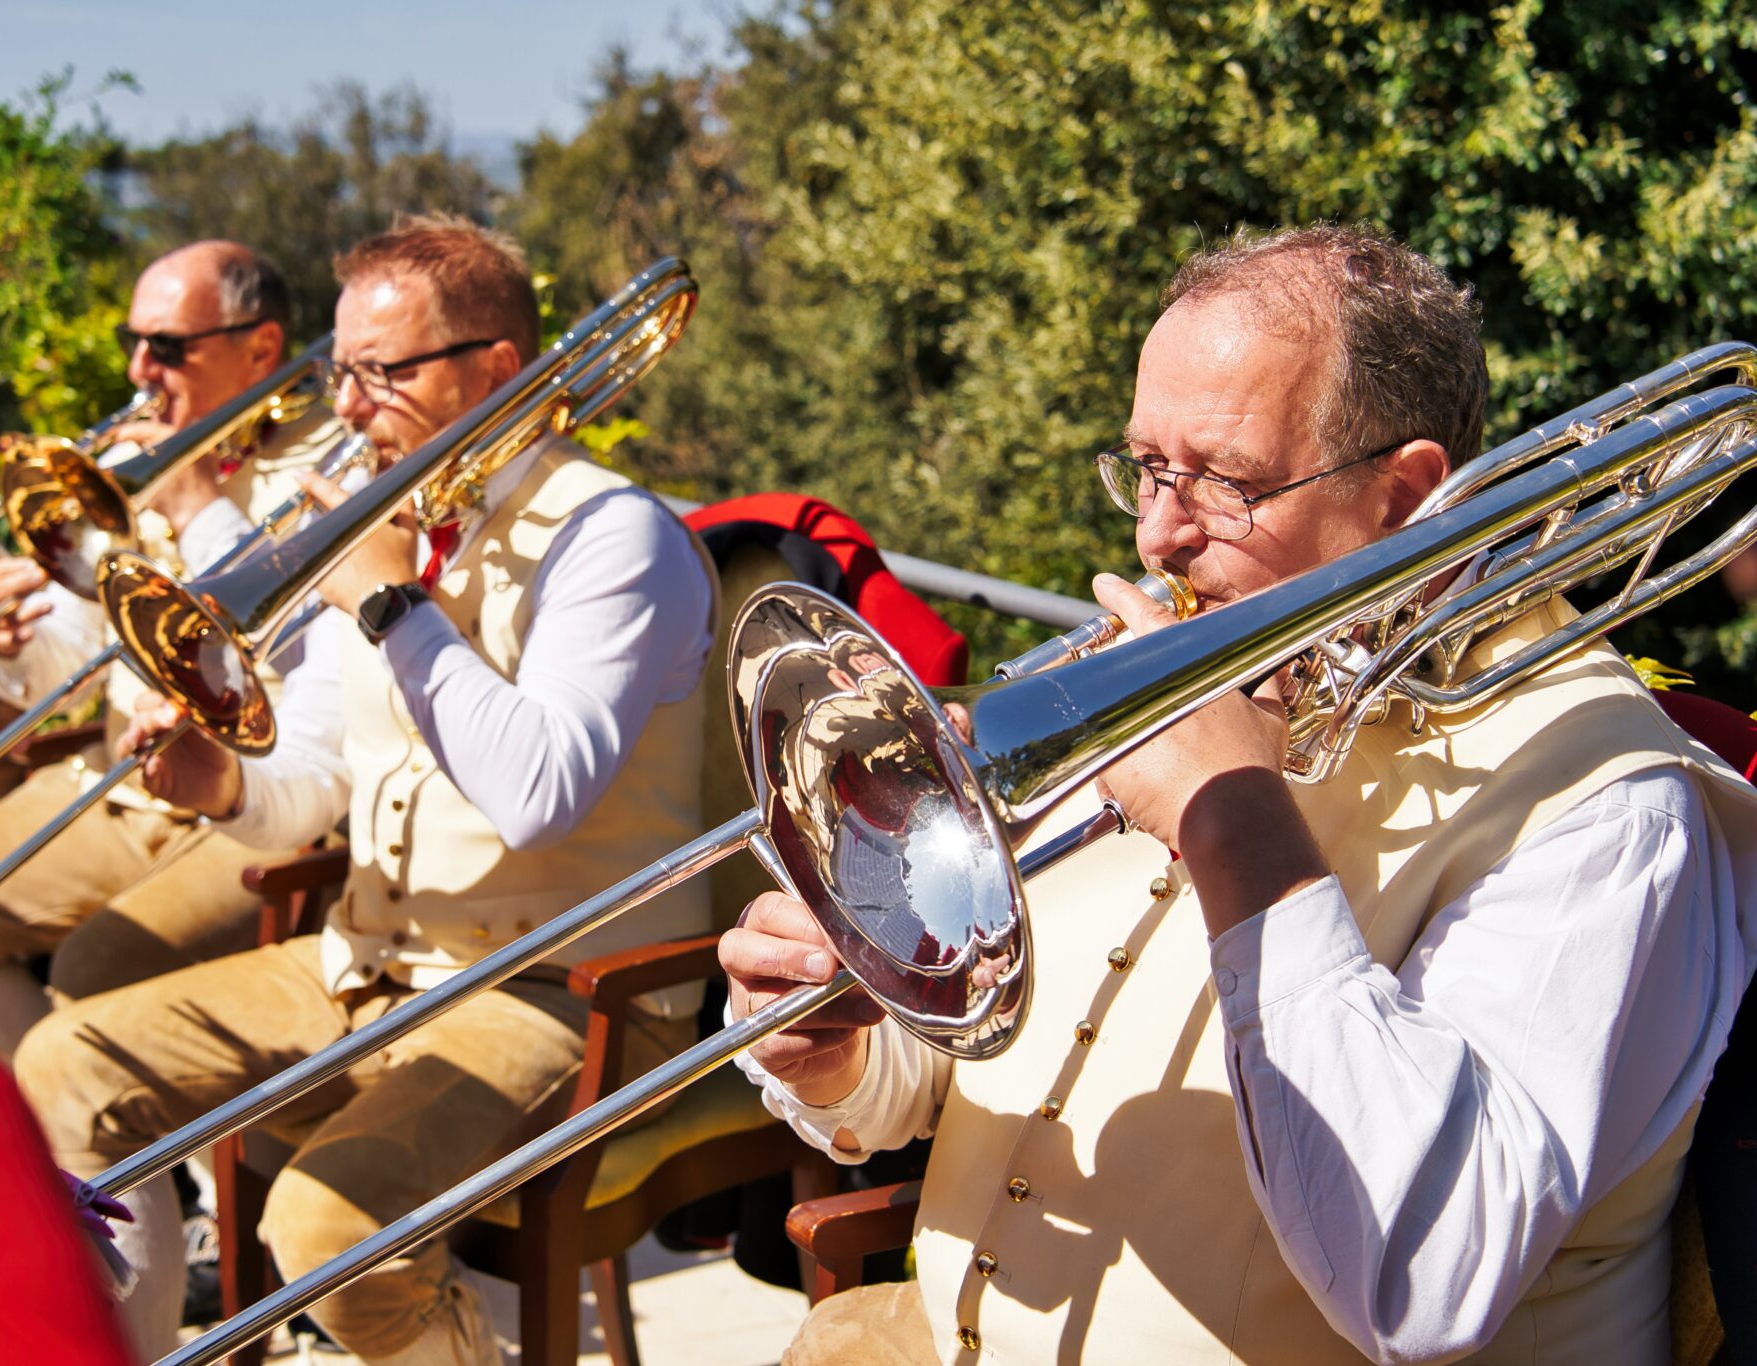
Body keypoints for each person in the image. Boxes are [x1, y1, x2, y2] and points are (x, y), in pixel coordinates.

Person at [723, 223, 1757, 1364]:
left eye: (1223, 482)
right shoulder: (1179, 668)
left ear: (1403, 497)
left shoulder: (1607, 803)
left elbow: (1420, 1280)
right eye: (1146, 467)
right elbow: (939, 1071)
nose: (1156, 535)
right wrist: (838, 1048)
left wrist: (1231, 819)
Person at [13, 215, 717, 1363]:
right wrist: (221, 784)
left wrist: (395, 609)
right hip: (372, 962)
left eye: (380, 373)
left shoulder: (612, 535)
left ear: (495, 367)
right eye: (341, 372)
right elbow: (314, 784)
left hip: (565, 992)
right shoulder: (395, 522)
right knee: (62, 1064)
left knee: (324, 1224)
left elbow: (539, 790)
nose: (344, 408)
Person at [0, 241, 343, 1047]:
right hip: (116, 781)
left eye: (167, 346)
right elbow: (64, 667)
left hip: (247, 801)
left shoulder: (333, 464)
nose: (140, 368)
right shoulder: (130, 458)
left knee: (92, 971)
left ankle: (65, 1114)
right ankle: (17, 1104)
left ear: (262, 349)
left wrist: (199, 507)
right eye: (132, 342)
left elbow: (316, 656)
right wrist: (15, 643)